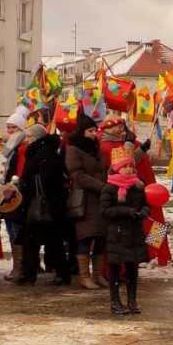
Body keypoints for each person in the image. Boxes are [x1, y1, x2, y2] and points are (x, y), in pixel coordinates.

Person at [97, 115, 171, 266]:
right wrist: (132, 145)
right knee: (131, 230)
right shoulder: (107, 145)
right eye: (119, 127)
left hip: (143, 189)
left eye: (123, 127)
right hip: (125, 193)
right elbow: (123, 162)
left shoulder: (128, 143)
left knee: (154, 221)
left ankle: (156, 253)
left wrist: (141, 148)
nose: (123, 131)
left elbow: (134, 160)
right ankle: (137, 260)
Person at [9, 125, 71, 286]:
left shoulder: (44, 152)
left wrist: (25, 183)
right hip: (39, 203)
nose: (27, 139)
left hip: (43, 204)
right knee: (33, 240)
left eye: (29, 136)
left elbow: (47, 178)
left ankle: (58, 272)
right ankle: (31, 272)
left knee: (49, 239)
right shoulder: (40, 151)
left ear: (37, 137)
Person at [100, 146, 151, 314]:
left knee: (132, 268)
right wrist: (125, 211)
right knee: (116, 267)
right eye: (125, 166)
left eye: (131, 166)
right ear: (117, 168)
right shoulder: (110, 188)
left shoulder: (137, 185)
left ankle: (132, 300)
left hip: (134, 232)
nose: (129, 169)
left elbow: (145, 204)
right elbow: (105, 211)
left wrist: (144, 212)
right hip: (118, 233)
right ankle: (115, 301)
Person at [65, 113, 109, 290]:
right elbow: (78, 175)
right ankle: (85, 276)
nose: (93, 133)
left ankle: (98, 274)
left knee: (100, 237)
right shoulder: (73, 149)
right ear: (81, 131)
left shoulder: (96, 150)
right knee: (85, 237)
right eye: (90, 130)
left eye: (94, 130)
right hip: (85, 199)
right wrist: (102, 186)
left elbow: (104, 169)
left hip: (100, 199)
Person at [1, 108, 29, 281]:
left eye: (14, 128)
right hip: (7, 191)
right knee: (11, 229)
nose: (11, 131)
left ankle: (21, 267)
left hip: (17, 191)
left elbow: (20, 170)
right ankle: (18, 265)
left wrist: (14, 181)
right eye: (9, 127)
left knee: (17, 229)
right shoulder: (8, 147)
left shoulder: (22, 147)